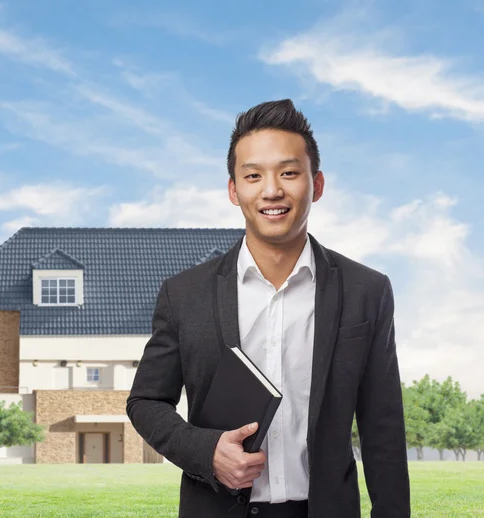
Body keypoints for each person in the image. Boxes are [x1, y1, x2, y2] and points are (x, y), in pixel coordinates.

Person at [126, 99, 410, 518]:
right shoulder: (185, 295)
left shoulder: (366, 291)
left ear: (316, 184)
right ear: (233, 189)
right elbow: (146, 402)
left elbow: (382, 425)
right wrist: (206, 452)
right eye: (253, 175)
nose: (272, 190)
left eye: (289, 172)